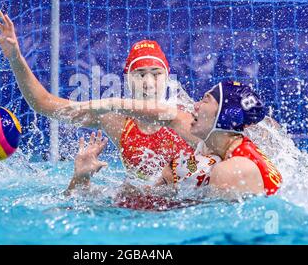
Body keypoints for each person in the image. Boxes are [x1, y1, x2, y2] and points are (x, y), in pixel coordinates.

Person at [0, 11, 200, 186]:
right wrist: (15, 57)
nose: (148, 83)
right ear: (127, 79)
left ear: (168, 76)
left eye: (156, 73)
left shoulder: (189, 119)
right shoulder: (116, 122)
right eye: (140, 74)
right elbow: (43, 104)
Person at [66, 81, 283, 197]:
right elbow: (160, 114)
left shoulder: (231, 170)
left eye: (205, 100)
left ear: (226, 116)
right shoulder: (220, 147)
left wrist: (171, 187)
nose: (194, 106)